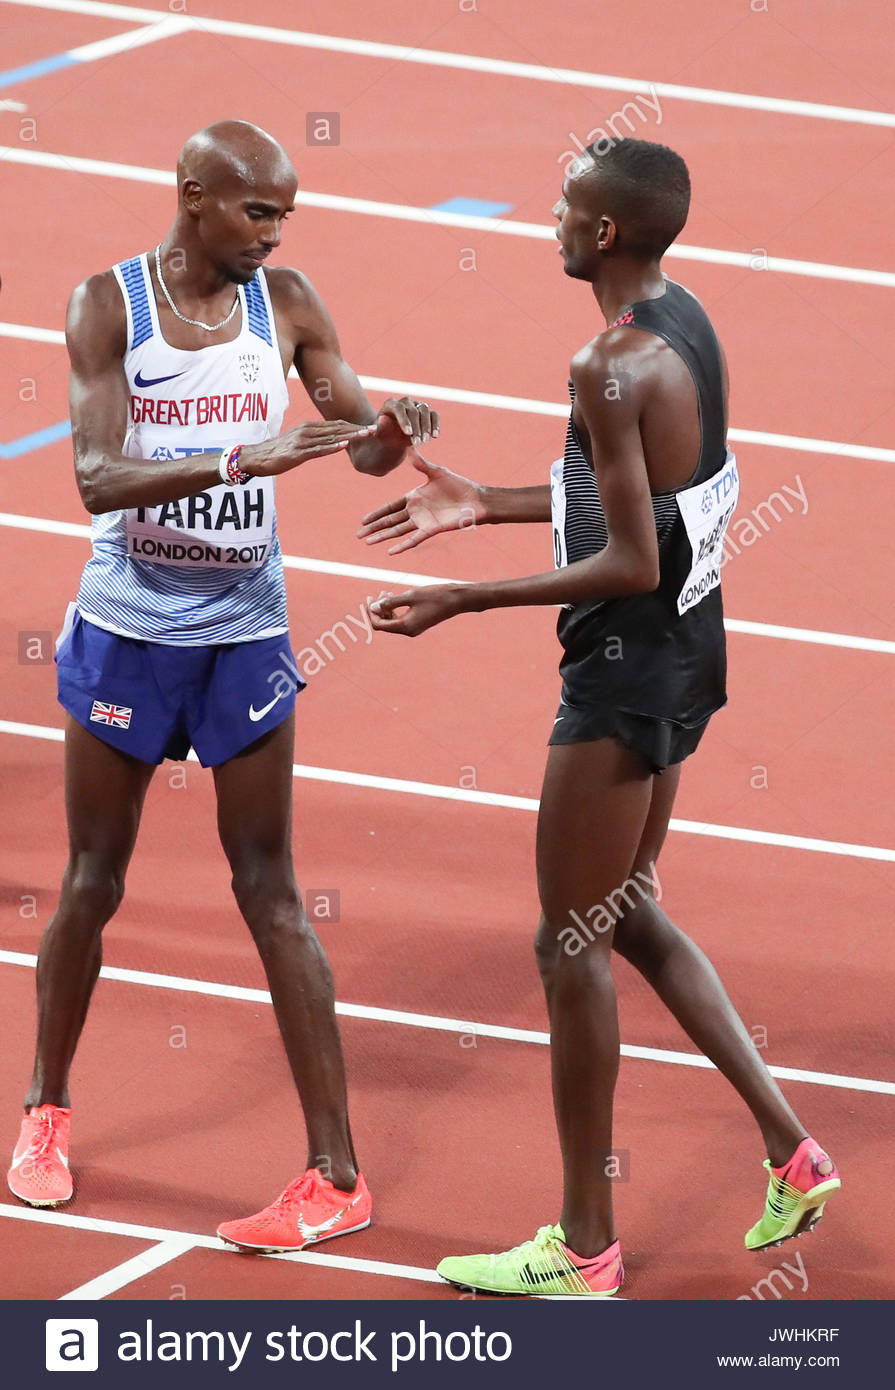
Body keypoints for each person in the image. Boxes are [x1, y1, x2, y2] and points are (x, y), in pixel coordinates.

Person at [359, 138, 839, 1296]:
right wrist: (479, 503)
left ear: (608, 233)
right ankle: (793, 1147)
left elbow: (626, 558)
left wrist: (461, 597)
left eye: (568, 210)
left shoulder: (603, 364)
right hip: (685, 654)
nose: (552, 225)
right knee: (622, 912)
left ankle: (583, 1247)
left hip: (623, 673)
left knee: (563, 941)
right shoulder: (684, 324)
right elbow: (639, 510)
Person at [7, 120, 439, 1254]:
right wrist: (244, 460)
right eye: (258, 212)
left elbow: (355, 442)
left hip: (245, 633)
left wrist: (391, 431)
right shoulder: (107, 306)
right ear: (193, 197)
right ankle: (44, 1112)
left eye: (284, 215)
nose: (274, 233)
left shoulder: (286, 300)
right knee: (93, 880)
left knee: (272, 891)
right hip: (128, 631)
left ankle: (335, 1173)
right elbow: (97, 477)